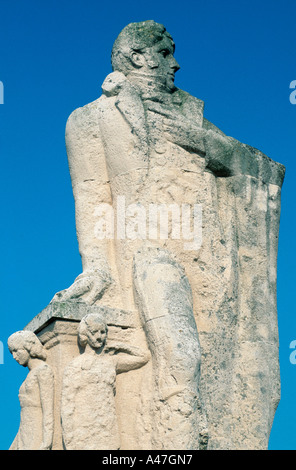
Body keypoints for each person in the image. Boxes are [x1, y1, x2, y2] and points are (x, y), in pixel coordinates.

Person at [52, 21, 285, 449]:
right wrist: (96, 268)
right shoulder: (88, 118)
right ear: (139, 56)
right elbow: (91, 200)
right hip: (146, 252)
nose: (175, 63)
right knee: (181, 356)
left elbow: (259, 168)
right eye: (166, 53)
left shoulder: (194, 117)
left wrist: (200, 142)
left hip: (211, 261)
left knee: (228, 375)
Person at [61, 313, 150, 450]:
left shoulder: (111, 361)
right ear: (85, 333)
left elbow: (144, 357)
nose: (99, 336)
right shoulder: (75, 366)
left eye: (102, 332)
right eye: (94, 332)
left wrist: (120, 346)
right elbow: (68, 404)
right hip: (84, 430)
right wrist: (70, 438)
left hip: (108, 427)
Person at [8, 331, 54, 450]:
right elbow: (24, 417)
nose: (14, 356)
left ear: (28, 347)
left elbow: (48, 409)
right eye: (11, 352)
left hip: (36, 431)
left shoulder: (43, 370)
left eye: (17, 350)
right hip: (25, 432)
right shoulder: (29, 375)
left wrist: (47, 440)